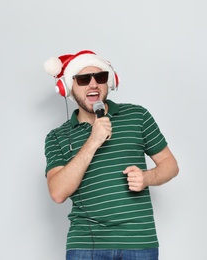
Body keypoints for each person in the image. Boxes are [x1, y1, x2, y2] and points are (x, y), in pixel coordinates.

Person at [43, 50, 179, 260]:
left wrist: (147, 177)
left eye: (100, 77)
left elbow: (170, 165)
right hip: (85, 246)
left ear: (110, 82)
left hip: (139, 242)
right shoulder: (57, 137)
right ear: (69, 87)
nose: (93, 84)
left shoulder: (137, 116)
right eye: (83, 79)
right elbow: (58, 193)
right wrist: (93, 141)